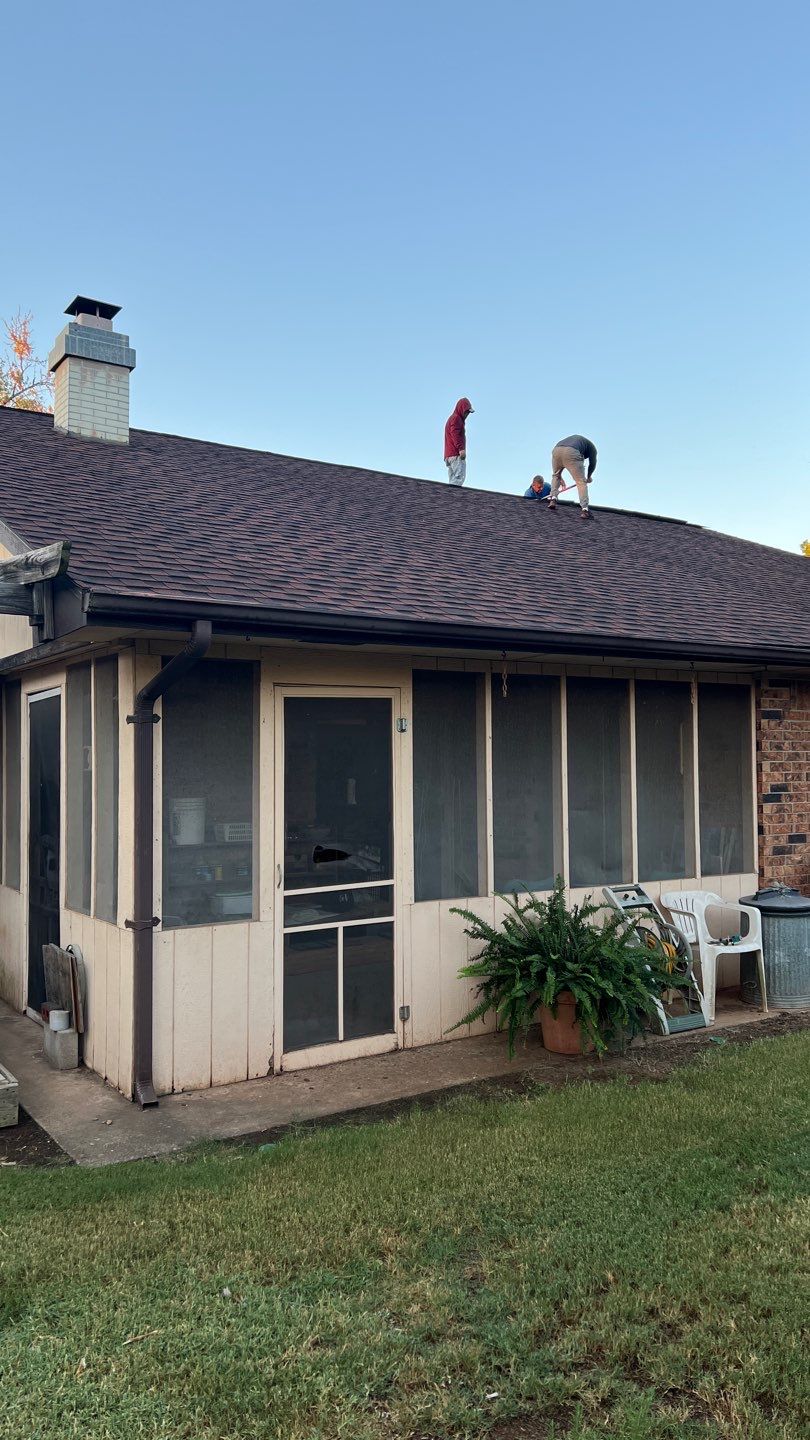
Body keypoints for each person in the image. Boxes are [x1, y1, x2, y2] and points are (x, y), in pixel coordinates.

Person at [547, 434, 597, 518]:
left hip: (556, 450)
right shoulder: (593, 450)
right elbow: (592, 464)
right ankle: (585, 510)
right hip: (572, 451)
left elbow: (557, 474)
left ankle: (553, 499)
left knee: (556, 475)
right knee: (581, 482)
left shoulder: (581, 442)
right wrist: (588, 477)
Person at [444, 398, 474, 485]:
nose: (467, 414)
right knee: (459, 478)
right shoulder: (456, 418)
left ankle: (449, 497)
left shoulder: (452, 418)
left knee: (452, 480)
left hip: (449, 455)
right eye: (466, 411)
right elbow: (455, 434)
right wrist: (461, 449)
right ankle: (453, 497)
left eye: (468, 412)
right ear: (461, 409)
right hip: (455, 454)